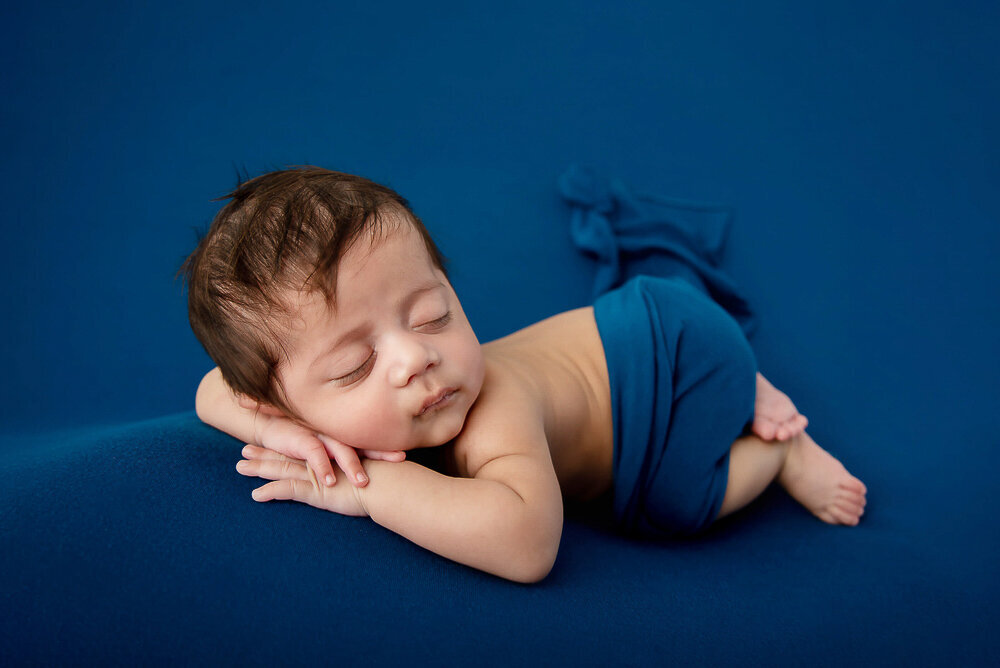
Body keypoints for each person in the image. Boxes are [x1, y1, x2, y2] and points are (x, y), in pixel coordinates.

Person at [184, 166, 867, 583]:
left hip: (675, 367)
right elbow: (214, 391)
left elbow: (528, 545)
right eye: (356, 365)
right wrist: (290, 436)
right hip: (643, 322)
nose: (416, 357)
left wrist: (373, 491)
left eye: (431, 315)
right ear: (283, 401)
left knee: (673, 512)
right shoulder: (299, 400)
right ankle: (751, 385)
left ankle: (778, 449)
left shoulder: (494, 407)